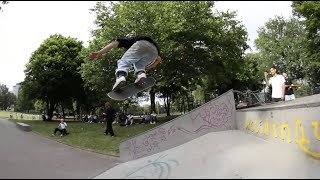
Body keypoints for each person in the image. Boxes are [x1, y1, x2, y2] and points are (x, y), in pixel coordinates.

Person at [89, 35, 162, 91]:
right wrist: (148, 67)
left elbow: (113, 44)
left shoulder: (127, 41)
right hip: (155, 52)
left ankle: (121, 76)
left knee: (124, 61)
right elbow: (158, 60)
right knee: (139, 64)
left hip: (141, 43)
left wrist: (100, 52)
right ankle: (141, 75)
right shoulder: (149, 43)